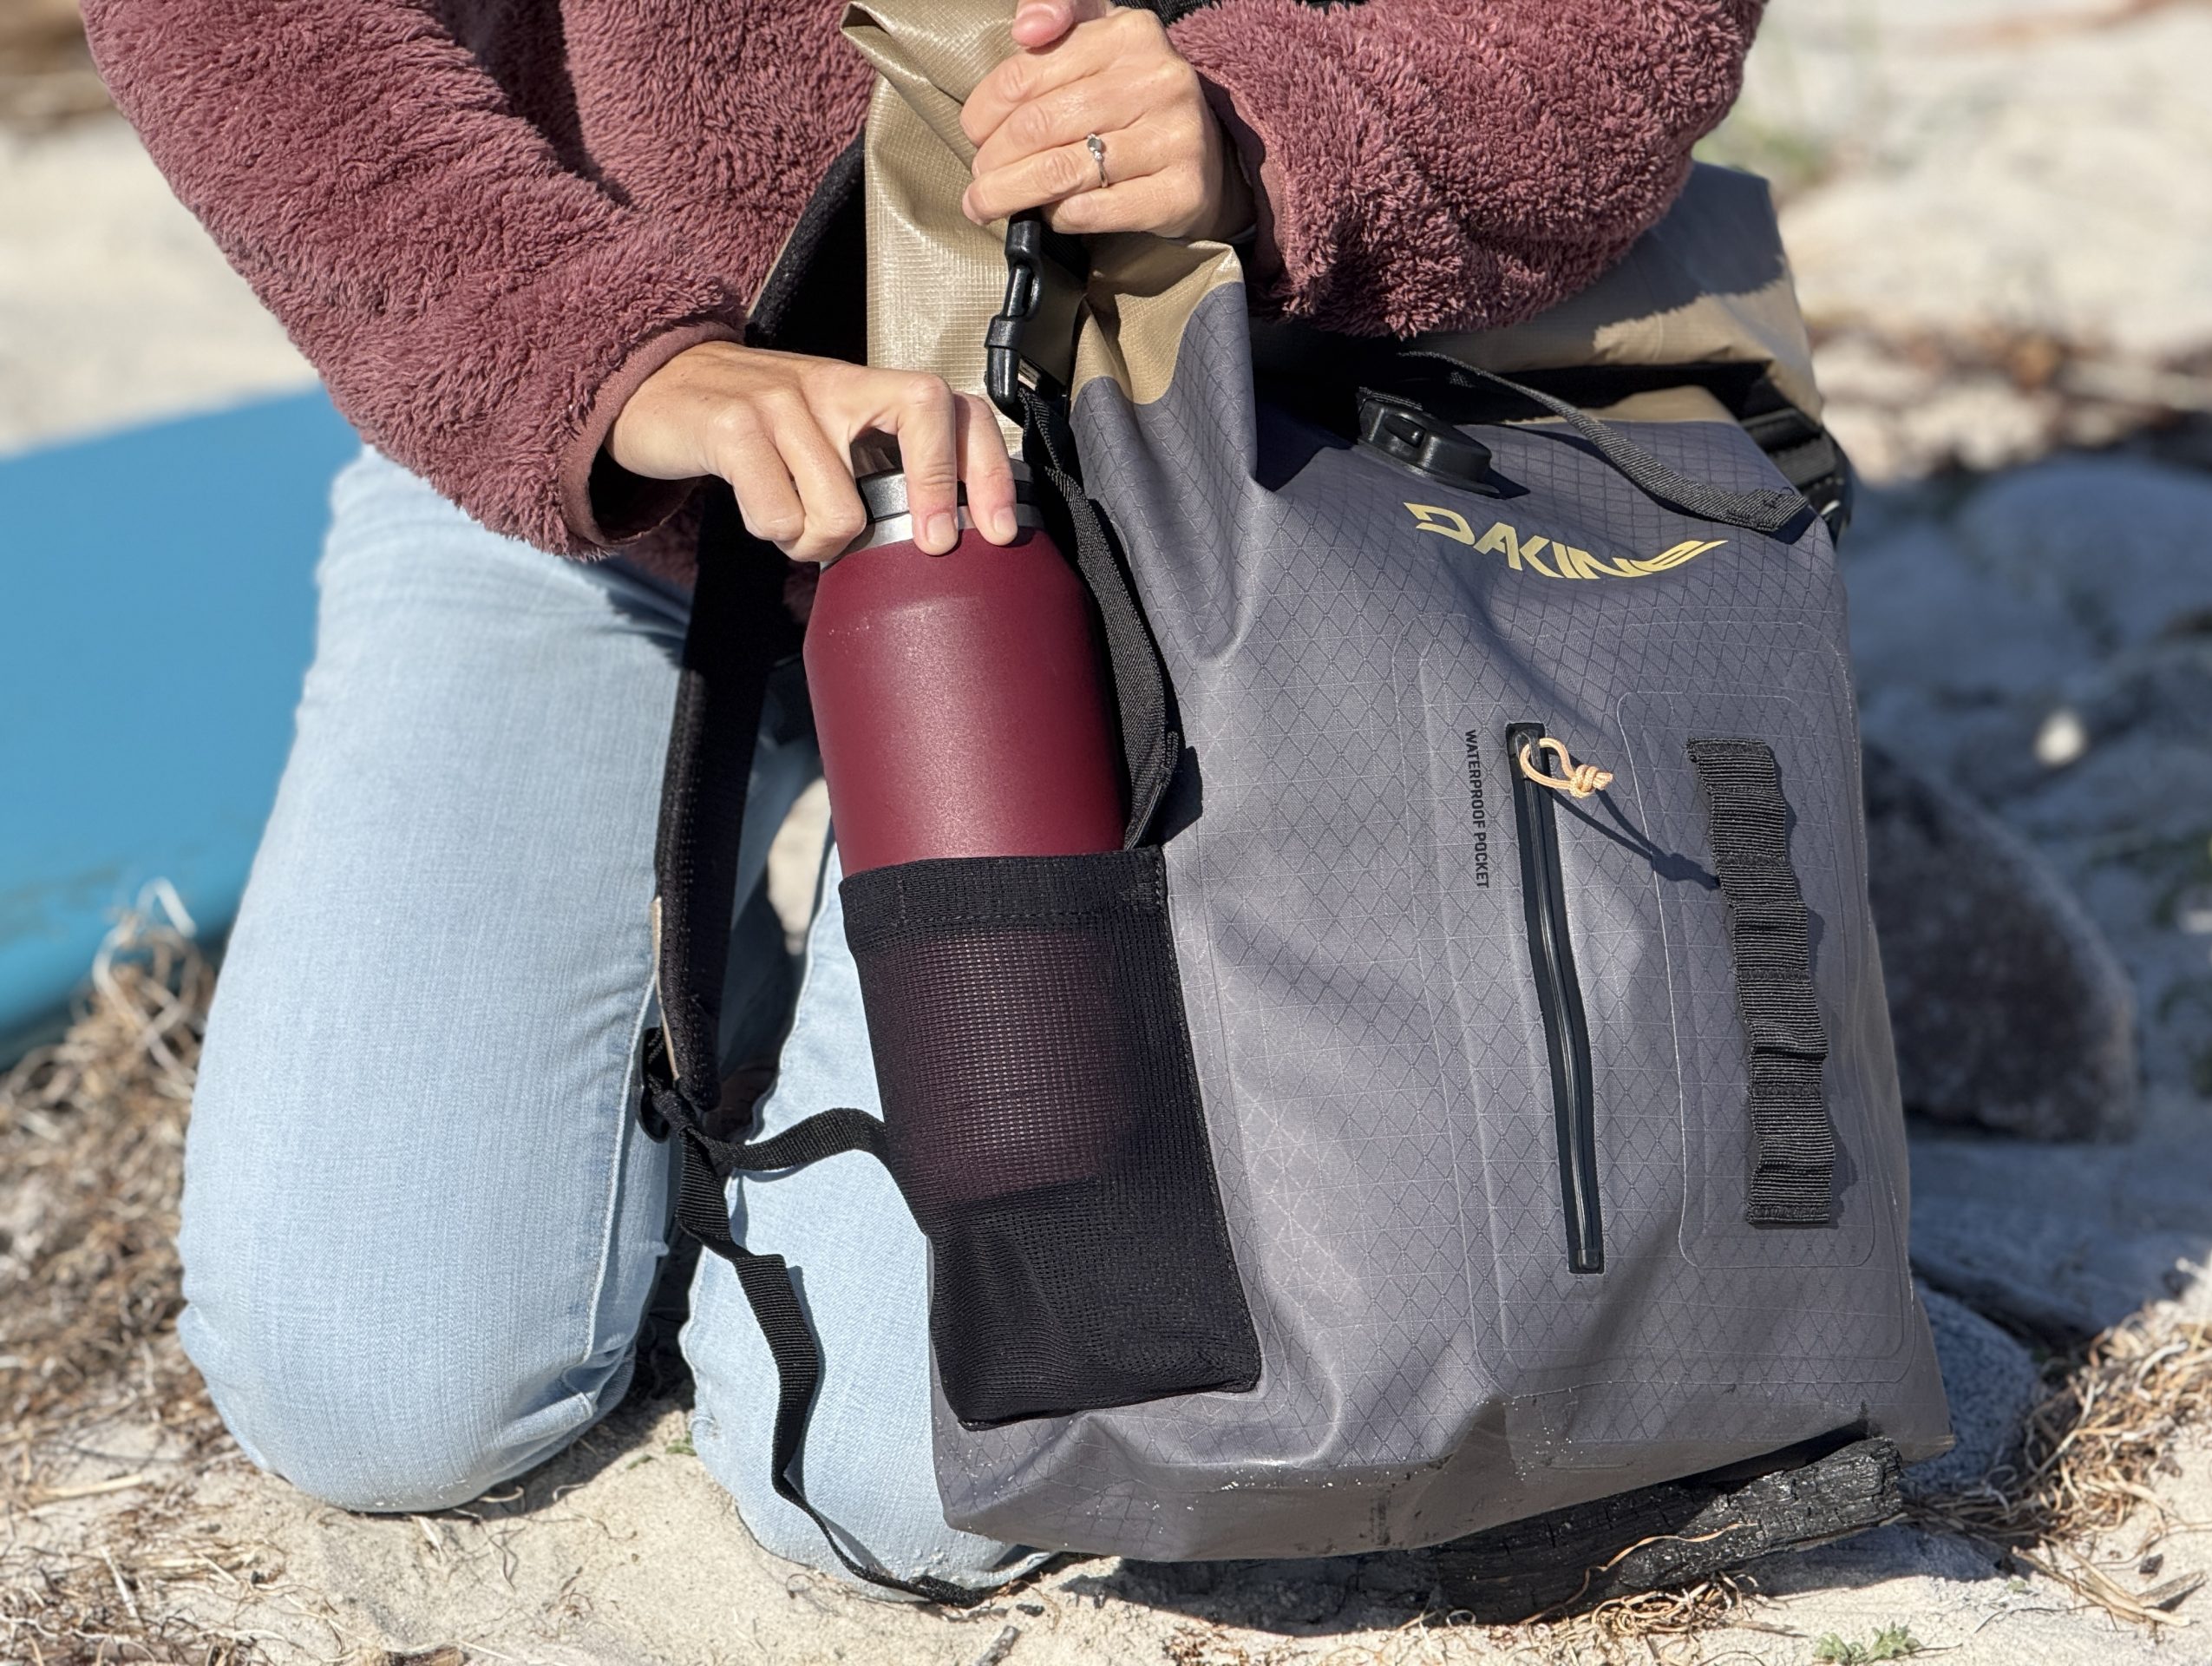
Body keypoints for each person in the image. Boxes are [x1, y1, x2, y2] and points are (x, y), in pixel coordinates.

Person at [83, 0, 1765, 1597]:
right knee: (378, 1390)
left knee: (898, 1490)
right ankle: (712, 956)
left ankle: (1574, 779)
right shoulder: (595, 378)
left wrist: (1278, 136)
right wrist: (595, 356)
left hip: (1194, 496)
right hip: (615, 444)